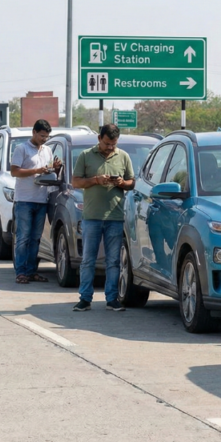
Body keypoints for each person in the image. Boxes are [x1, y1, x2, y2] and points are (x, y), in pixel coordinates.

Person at [71, 124, 135, 312]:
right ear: (99, 138)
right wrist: (95, 180)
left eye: (113, 144)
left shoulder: (123, 156)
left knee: (113, 261)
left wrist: (122, 183)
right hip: (92, 217)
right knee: (88, 260)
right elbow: (76, 182)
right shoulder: (85, 156)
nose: (110, 147)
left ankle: (112, 299)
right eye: (107, 143)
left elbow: (132, 182)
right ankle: (85, 299)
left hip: (115, 217)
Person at [10, 119, 62, 284]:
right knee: (23, 238)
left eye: (46, 137)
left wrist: (55, 168)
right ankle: (21, 272)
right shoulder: (22, 149)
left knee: (36, 238)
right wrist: (37, 170)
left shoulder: (47, 150)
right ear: (34, 132)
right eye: (41, 136)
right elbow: (14, 171)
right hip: (24, 200)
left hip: (41, 199)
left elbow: (49, 173)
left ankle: (32, 271)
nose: (44, 139)